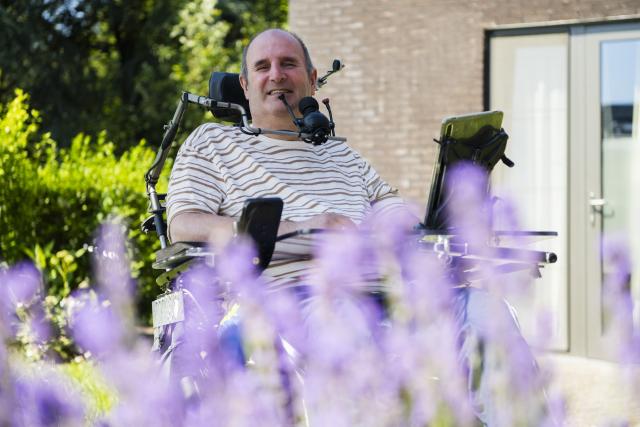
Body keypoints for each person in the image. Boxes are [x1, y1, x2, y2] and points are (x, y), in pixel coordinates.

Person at [165, 28, 545, 426]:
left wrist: (434, 227)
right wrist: (303, 226)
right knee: (347, 325)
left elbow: (395, 210)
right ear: (244, 85)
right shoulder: (213, 143)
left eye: (288, 64)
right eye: (262, 67)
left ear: (312, 80)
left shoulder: (341, 153)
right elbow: (184, 224)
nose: (276, 75)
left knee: (489, 313)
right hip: (292, 297)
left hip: (392, 293)